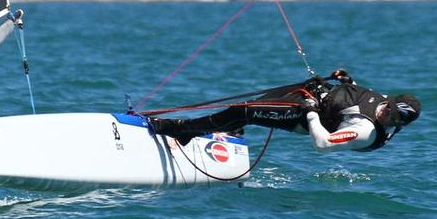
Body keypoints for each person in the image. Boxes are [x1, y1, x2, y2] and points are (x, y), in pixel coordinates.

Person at [149, 69, 421, 152]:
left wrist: (312, 112)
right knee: (258, 101)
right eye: (391, 110)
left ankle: (180, 130)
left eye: (393, 119)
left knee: (245, 110)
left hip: (305, 116)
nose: (387, 115)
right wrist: (349, 83)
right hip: (313, 95)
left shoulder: (365, 131)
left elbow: (324, 144)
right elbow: (362, 100)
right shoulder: (384, 100)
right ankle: (228, 130)